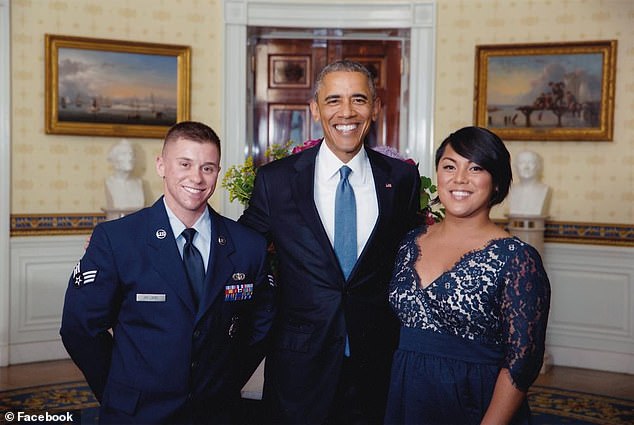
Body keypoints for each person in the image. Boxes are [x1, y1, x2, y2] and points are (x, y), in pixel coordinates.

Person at [239, 59, 421, 424]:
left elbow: (413, 255)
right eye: (333, 100)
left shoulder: (401, 178)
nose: (347, 112)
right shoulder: (275, 180)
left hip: (377, 358)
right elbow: (245, 253)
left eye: (358, 99)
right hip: (299, 361)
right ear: (315, 109)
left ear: (375, 107)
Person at [60, 121, 276, 424]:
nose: (196, 178)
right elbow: (79, 327)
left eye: (208, 168)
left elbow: (261, 325)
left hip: (216, 410)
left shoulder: (247, 245)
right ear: (161, 165)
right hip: (137, 413)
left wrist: (224, 380)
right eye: (185, 164)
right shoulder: (118, 240)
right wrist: (119, 388)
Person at [385, 126, 551, 424]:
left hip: (475, 401)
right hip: (407, 395)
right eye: (449, 166)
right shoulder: (409, 242)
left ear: (497, 181)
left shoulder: (517, 258)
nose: (459, 179)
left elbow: (523, 362)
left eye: (475, 168)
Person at [105, 138, 145, 211]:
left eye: (131, 154)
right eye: (124, 154)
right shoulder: (109, 183)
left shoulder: (139, 183)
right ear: (114, 158)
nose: (130, 158)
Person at [508, 150, 551, 216]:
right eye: (521, 163)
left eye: (531, 163)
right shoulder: (511, 189)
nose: (526, 167)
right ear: (515, 167)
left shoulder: (545, 189)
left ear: (538, 166)